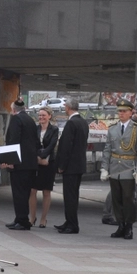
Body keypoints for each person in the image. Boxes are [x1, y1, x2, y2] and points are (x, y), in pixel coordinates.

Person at [100, 99, 137, 240]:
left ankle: (129, 227)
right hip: (114, 168)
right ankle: (120, 225)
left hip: (128, 168)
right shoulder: (112, 128)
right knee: (116, 198)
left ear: (131, 112)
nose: (121, 113)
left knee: (128, 199)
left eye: (124, 111)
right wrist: (104, 168)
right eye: (120, 111)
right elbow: (107, 149)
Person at [55, 98, 89, 234]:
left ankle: (72, 224)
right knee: (73, 195)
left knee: (69, 196)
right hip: (79, 165)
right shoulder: (83, 122)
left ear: (68, 108)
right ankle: (69, 221)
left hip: (70, 166)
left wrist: (61, 165)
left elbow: (66, 146)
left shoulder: (71, 123)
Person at [4, 98, 39, 230]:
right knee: (25, 192)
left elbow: (14, 140)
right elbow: (36, 141)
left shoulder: (16, 119)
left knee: (18, 192)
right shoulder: (30, 120)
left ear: (13, 110)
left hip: (19, 163)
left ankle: (22, 220)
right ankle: (20, 218)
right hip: (30, 163)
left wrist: (11, 160)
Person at [30, 106, 58, 229]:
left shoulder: (54, 129)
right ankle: (32, 217)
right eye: (40, 115)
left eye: (43, 115)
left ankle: (43, 219)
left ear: (49, 116)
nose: (41, 117)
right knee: (32, 190)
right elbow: (32, 144)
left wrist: (43, 156)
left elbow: (52, 145)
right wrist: (37, 157)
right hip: (36, 162)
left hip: (48, 163)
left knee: (46, 191)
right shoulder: (34, 129)